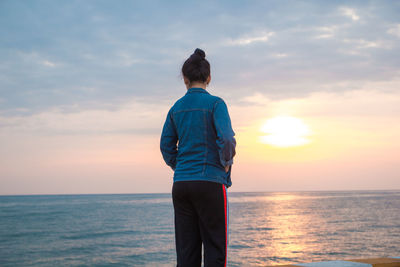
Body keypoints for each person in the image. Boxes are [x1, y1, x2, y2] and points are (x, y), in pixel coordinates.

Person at [160, 48, 236, 267]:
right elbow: (228, 139)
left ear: (185, 79)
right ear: (209, 78)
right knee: (215, 250)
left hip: (182, 185)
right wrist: (226, 164)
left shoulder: (176, 108)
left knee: (186, 253)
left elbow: (166, 146)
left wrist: (180, 166)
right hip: (210, 183)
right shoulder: (216, 104)